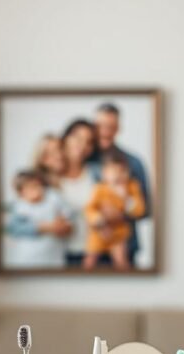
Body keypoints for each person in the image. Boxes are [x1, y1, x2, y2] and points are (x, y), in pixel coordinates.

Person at [88, 103, 152, 267]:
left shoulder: (134, 162)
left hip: (125, 245)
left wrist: (120, 213)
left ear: (118, 128)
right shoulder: (84, 160)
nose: (105, 131)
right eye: (100, 126)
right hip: (91, 246)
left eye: (111, 126)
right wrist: (99, 218)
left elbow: (146, 209)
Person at [83, 150, 146, 270]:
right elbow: (89, 208)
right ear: (104, 173)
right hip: (99, 233)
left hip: (118, 234)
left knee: (121, 261)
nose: (118, 175)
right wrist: (98, 219)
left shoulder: (131, 187)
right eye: (113, 171)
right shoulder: (100, 188)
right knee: (90, 261)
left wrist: (126, 198)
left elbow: (140, 210)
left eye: (122, 171)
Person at [4, 169, 73, 268]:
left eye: (38, 185)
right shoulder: (19, 206)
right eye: (30, 187)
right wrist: (43, 227)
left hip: (54, 258)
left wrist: (63, 223)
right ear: (21, 192)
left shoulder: (53, 197)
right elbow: (13, 229)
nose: (37, 189)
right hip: (27, 259)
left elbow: (68, 214)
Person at [57, 118, 98, 267]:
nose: (83, 146)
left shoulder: (97, 173)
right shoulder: (50, 176)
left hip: (94, 254)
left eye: (89, 142)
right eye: (78, 138)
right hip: (58, 255)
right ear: (65, 139)